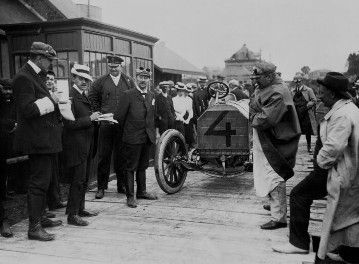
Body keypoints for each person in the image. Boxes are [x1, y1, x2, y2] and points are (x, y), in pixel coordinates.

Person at [274, 72, 359, 263]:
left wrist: (320, 163)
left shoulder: (341, 115)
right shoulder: (350, 108)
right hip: (349, 172)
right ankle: (344, 251)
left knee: (298, 194)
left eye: (323, 93)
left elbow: (334, 146)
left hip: (336, 170)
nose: (320, 96)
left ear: (333, 94)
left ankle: (299, 243)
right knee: (348, 214)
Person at [12, 42, 63, 241]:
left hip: (44, 140)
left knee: (45, 180)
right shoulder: (23, 78)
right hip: (37, 141)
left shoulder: (33, 75)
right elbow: (27, 110)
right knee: (38, 183)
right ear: (39, 58)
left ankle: (40, 218)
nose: (51, 64)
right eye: (49, 60)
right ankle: (34, 227)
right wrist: (52, 101)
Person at [249, 61, 301, 230]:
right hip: (267, 136)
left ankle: (279, 217)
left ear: (270, 76)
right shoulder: (268, 86)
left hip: (277, 138)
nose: (256, 82)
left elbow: (266, 119)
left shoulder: (277, 91)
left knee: (275, 173)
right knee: (267, 171)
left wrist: (251, 117)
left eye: (259, 78)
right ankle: (275, 205)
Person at [88, 55, 136, 199]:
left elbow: (134, 98)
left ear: (121, 67)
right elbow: (92, 97)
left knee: (122, 155)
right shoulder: (100, 82)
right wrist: (100, 112)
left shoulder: (128, 81)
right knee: (104, 155)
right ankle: (101, 187)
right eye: (111, 67)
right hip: (106, 124)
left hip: (122, 125)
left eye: (116, 67)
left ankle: (121, 185)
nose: (113, 69)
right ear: (108, 66)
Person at [63, 64, 101, 226]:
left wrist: (97, 119)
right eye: (81, 78)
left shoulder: (82, 95)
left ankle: (80, 208)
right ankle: (72, 215)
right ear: (73, 78)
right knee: (77, 180)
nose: (84, 82)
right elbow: (69, 124)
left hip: (86, 144)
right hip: (76, 145)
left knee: (84, 179)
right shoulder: (69, 96)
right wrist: (90, 119)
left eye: (87, 79)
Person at [114, 67, 158, 208]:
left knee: (143, 166)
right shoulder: (128, 94)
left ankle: (142, 191)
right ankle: (130, 196)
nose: (143, 80)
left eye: (146, 78)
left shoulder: (151, 95)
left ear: (149, 80)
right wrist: (128, 132)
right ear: (136, 78)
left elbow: (152, 116)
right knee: (130, 167)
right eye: (140, 77)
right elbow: (118, 117)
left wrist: (153, 133)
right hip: (132, 138)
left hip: (146, 137)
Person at [290, 74, 317, 153]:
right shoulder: (292, 91)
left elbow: (314, 100)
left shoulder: (308, 90)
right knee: (295, 130)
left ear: (302, 81)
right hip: (296, 113)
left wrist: (308, 105)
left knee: (308, 130)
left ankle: (309, 146)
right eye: (296, 82)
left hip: (306, 113)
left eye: (299, 81)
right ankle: (294, 147)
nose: (297, 83)